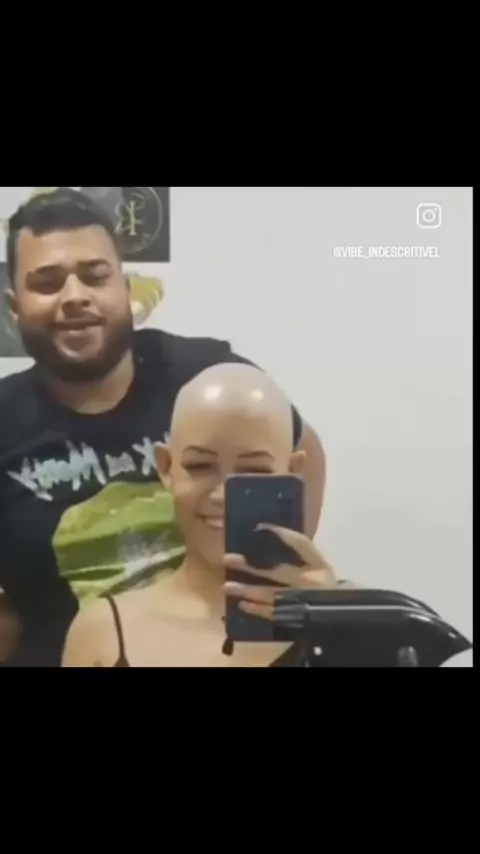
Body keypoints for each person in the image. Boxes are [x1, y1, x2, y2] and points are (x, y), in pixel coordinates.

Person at [0, 188, 326, 666]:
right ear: (15, 307)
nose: (75, 297)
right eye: (47, 283)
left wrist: (275, 567)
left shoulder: (204, 375)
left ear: (125, 289)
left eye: (95, 276)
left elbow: (305, 453)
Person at [62, 363, 340, 667]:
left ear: (293, 473)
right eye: (200, 466)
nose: (222, 495)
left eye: (254, 470)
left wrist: (343, 633)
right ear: (166, 467)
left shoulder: (348, 617)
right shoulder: (102, 631)